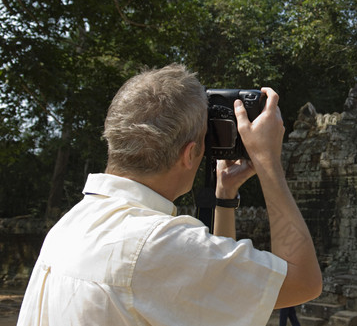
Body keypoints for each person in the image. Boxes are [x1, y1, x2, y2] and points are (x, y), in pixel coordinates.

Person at [17, 64, 322, 325]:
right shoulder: (155, 245)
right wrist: (269, 164)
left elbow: (215, 291)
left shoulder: (71, 226)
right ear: (190, 154)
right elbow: (302, 282)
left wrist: (224, 196)